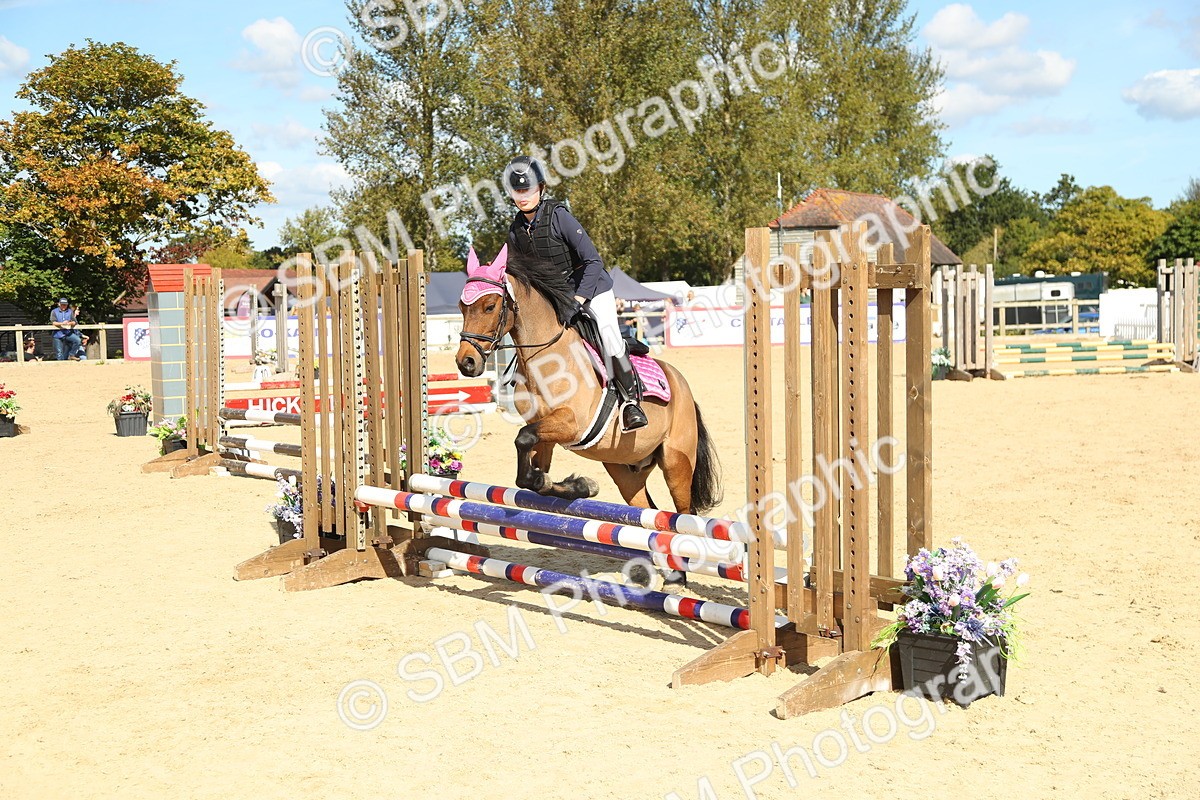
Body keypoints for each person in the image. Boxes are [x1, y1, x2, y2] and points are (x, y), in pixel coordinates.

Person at [504, 156, 648, 432]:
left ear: (541, 188)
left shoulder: (560, 216)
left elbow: (593, 261)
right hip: (555, 298)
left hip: (591, 289)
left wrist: (579, 300)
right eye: (518, 191)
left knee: (608, 335)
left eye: (528, 189)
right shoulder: (516, 230)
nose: (523, 196)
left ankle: (631, 403)